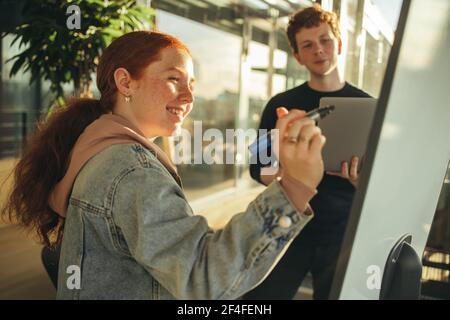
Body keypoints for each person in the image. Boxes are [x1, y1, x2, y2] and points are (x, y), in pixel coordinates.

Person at [1, 30, 327, 299]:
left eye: (192, 85)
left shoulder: (95, 146)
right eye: (174, 79)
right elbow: (203, 279)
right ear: (125, 83)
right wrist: (294, 186)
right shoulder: (130, 170)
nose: (189, 97)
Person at [243, 4, 371, 300]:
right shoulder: (280, 104)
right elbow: (256, 166)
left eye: (325, 40)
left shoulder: (369, 106)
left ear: (338, 44)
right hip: (288, 224)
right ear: (298, 56)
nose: (319, 50)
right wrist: (288, 172)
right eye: (308, 45)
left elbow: (379, 182)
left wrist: (358, 181)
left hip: (344, 232)